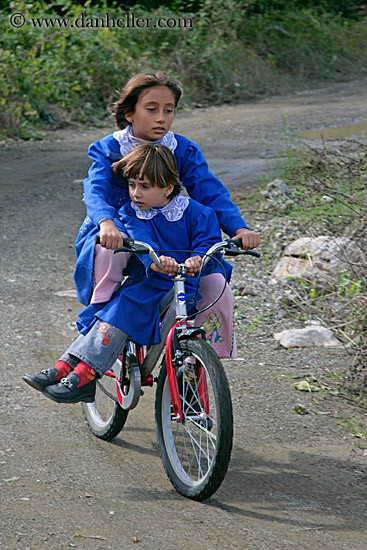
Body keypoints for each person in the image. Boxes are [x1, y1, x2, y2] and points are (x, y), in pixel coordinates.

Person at [23, 144, 232, 404]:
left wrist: (198, 259)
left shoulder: (200, 213)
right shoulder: (131, 213)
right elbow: (141, 240)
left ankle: (76, 371)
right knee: (116, 315)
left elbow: (208, 241)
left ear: (168, 187)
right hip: (150, 281)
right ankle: (73, 371)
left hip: (188, 283)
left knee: (210, 302)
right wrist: (154, 260)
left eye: (144, 186)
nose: (135, 193)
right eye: (132, 185)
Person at [74, 71, 259, 359]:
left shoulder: (182, 149)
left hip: (165, 233)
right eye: (151, 109)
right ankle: (103, 324)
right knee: (110, 253)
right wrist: (106, 222)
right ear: (129, 113)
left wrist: (238, 228)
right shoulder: (109, 148)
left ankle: (201, 355)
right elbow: (95, 190)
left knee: (213, 284)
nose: (161, 118)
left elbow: (209, 192)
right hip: (115, 230)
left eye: (168, 110)